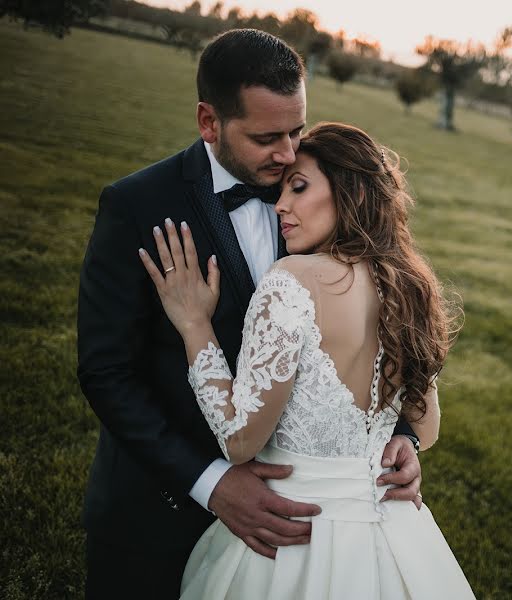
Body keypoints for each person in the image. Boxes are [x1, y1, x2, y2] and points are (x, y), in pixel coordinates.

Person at [77, 30, 423, 600]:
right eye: (267, 138)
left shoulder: (320, 198)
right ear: (209, 122)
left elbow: (371, 333)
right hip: (160, 507)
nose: (289, 155)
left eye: (297, 130)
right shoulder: (138, 206)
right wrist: (210, 484)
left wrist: (396, 436)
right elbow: (106, 371)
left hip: (304, 524)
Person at [138, 121, 474, 599]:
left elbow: (240, 441)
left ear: (350, 193)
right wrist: (405, 449)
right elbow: (424, 428)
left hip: (294, 534)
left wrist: (195, 326)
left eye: (299, 187)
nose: (281, 206)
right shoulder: (409, 288)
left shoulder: (293, 280)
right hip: (393, 530)